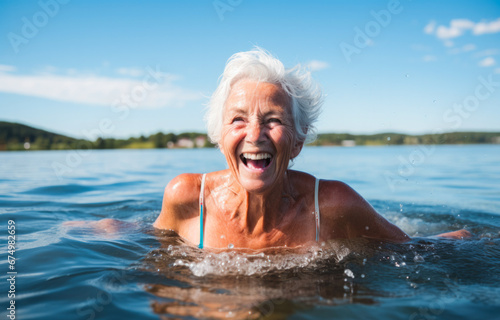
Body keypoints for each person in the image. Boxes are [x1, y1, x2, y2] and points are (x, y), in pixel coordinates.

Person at [153, 48, 469, 249]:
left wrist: (470, 239)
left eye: (273, 120)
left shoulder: (332, 205)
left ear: (298, 142)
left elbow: (412, 247)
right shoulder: (187, 198)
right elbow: (146, 241)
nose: (255, 134)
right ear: (219, 136)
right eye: (238, 119)